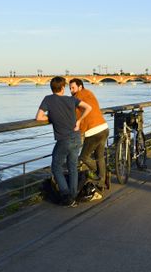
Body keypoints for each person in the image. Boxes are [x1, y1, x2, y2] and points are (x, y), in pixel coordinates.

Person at [36, 76, 92, 207]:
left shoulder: (48, 99)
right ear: (63, 88)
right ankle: (73, 197)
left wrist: (51, 117)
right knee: (72, 167)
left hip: (64, 139)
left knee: (56, 167)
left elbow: (39, 117)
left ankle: (66, 195)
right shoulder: (71, 99)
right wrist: (79, 121)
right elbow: (88, 108)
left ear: (52, 88)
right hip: (77, 137)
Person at [69, 78, 109, 187]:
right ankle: (102, 181)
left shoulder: (77, 97)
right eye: (70, 88)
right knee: (99, 156)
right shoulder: (89, 92)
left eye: (73, 88)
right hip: (104, 127)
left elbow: (75, 116)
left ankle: (101, 175)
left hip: (94, 131)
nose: (71, 90)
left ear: (80, 87)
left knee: (84, 157)